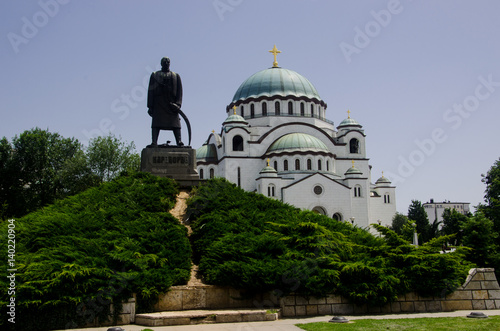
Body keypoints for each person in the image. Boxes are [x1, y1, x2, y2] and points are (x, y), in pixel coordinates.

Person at [147, 57, 183, 146]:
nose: (166, 63)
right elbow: (150, 91)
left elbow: (179, 91)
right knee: (156, 123)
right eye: (164, 62)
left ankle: (179, 141)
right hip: (158, 103)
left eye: (168, 62)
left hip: (171, 104)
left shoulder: (175, 75)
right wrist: (150, 106)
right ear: (161, 63)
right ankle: (154, 142)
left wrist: (178, 104)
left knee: (176, 124)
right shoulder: (155, 75)